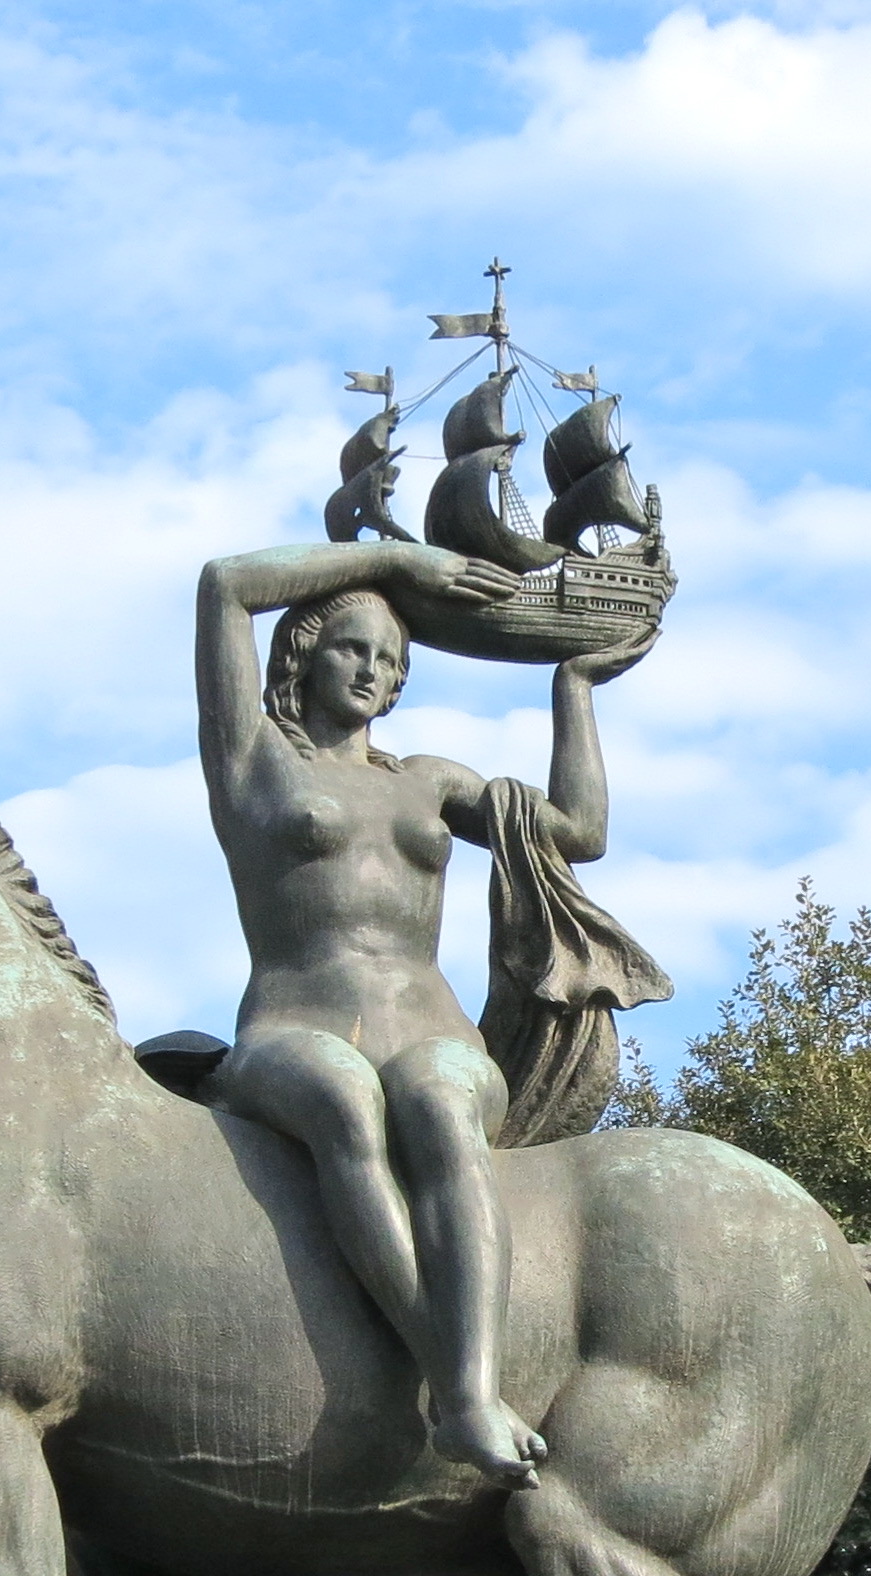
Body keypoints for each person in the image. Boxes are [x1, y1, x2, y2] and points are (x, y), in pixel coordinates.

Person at [194, 540, 652, 1486]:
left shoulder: (429, 782)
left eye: (391, 662)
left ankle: (469, 1386)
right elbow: (225, 586)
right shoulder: (251, 759)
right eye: (353, 650)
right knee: (340, 1094)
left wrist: (572, 686)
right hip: (292, 1030)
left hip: (432, 1031)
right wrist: (399, 563)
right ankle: (458, 1388)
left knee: (441, 1102)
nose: (373, 672)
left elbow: (581, 832)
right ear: (303, 654)